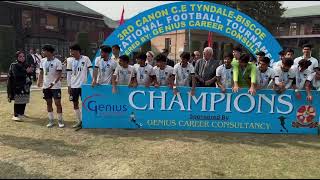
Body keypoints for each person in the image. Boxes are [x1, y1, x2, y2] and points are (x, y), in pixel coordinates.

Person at [66, 44, 93, 129]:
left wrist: (94, 80)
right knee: (75, 103)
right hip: (73, 86)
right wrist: (68, 86)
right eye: (70, 51)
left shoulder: (86, 59)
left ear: (77, 51)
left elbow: (91, 70)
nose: (71, 53)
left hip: (83, 86)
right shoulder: (70, 60)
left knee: (84, 103)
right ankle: (79, 121)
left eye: (72, 51)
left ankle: (86, 121)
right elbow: (69, 74)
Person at [37, 45, 64, 128]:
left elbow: (59, 75)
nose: (42, 52)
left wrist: (53, 83)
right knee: (48, 103)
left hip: (55, 87)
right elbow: (41, 72)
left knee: (57, 103)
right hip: (46, 87)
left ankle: (60, 120)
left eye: (44, 51)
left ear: (49, 52)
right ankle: (51, 120)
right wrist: (39, 81)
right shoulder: (42, 61)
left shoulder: (57, 62)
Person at [7, 51, 33, 121]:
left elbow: (29, 74)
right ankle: (15, 115)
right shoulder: (14, 65)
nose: (22, 58)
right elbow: (16, 75)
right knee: (18, 100)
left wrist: (30, 72)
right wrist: (26, 71)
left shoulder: (26, 64)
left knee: (24, 99)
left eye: (23, 56)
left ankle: (21, 113)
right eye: (20, 56)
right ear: (17, 57)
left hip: (26, 85)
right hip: (17, 85)